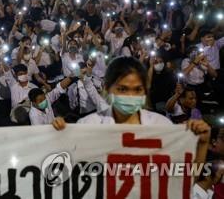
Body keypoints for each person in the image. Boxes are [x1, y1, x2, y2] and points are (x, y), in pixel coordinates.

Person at [53, 57, 211, 165]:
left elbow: (180, 179)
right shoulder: (88, 125)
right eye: (122, 89)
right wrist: (60, 138)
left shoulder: (161, 125)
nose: (130, 96)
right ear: (108, 89)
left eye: (137, 89)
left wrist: (203, 144)